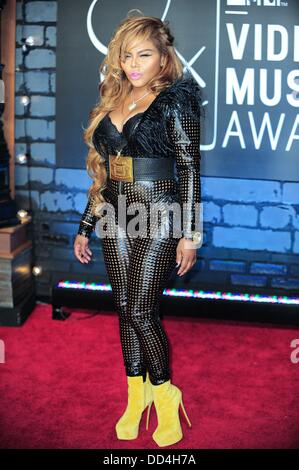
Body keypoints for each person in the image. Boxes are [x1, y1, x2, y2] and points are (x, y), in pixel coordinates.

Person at [73, 15, 203, 447]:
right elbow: (104, 174)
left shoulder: (176, 100)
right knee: (125, 308)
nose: (133, 64)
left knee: (143, 310)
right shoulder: (113, 95)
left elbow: (189, 169)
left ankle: (166, 396)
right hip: (115, 214)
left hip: (161, 211)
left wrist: (190, 233)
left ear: (163, 56)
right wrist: (85, 225)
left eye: (143, 55)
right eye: (127, 56)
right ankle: (137, 396)